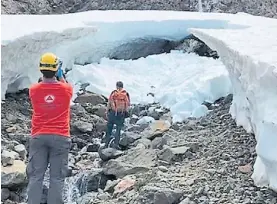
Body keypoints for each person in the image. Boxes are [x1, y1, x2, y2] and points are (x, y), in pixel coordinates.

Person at [27, 52, 73, 204]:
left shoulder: (33, 90)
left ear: (40, 69)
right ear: (56, 69)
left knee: (35, 176)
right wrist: (60, 75)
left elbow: (42, 85)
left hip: (39, 136)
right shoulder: (67, 90)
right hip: (60, 137)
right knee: (57, 177)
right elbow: (63, 84)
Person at [105, 81, 130, 149]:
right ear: (122, 86)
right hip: (121, 114)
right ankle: (116, 145)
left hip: (113, 113)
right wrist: (126, 113)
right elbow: (127, 104)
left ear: (116, 86)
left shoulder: (113, 93)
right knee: (118, 130)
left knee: (109, 129)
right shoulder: (125, 94)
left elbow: (109, 102)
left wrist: (107, 111)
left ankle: (106, 144)